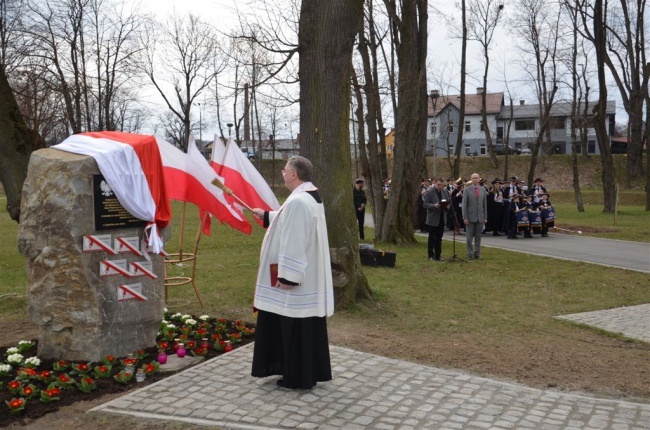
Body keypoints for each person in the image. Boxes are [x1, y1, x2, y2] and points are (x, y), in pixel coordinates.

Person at [250, 156, 334, 390]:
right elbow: (292, 220)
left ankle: (297, 376)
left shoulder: (298, 202)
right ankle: (306, 372)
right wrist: (267, 215)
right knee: (302, 327)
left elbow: (296, 239)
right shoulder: (308, 197)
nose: (282, 173)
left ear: (295, 174)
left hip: (298, 283)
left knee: (295, 325)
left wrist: (288, 275)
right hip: (309, 279)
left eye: (284, 170)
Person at [422, 178, 450, 261]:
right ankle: (431, 255)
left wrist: (447, 206)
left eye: (442, 185)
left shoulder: (445, 192)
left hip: (442, 217)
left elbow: (448, 202)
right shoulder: (429, 192)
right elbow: (425, 204)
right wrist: (434, 206)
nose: (440, 186)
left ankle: (438, 254)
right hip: (433, 218)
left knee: (439, 237)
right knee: (432, 237)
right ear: (435, 184)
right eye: (438, 185)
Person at [462, 173, 487, 260]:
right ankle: (469, 254)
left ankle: (477, 253)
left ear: (479, 179)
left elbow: (484, 205)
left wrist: (485, 217)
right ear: (471, 179)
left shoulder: (483, 190)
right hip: (470, 217)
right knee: (469, 237)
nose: (475, 179)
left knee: (478, 237)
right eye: (473, 178)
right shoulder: (467, 190)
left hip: (480, 217)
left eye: (476, 178)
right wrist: (465, 217)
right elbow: (464, 205)